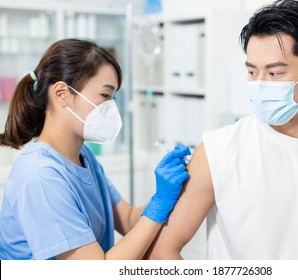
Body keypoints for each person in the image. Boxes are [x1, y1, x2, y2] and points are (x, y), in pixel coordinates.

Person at [145, 0, 298, 260]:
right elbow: (162, 250)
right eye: (252, 72)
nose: (259, 85)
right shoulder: (219, 152)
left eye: (274, 74)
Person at [0, 38, 190, 260]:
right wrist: (160, 203)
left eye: (114, 97)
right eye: (105, 95)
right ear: (61, 93)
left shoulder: (83, 156)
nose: (112, 108)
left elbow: (128, 220)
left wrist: (166, 192)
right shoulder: (40, 176)